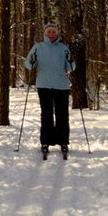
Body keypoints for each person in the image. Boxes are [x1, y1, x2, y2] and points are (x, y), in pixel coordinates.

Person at [24, 22, 75, 159]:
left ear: (57, 33)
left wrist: (71, 60)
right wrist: (32, 60)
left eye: (53, 32)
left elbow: (71, 68)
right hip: (44, 84)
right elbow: (28, 65)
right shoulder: (38, 47)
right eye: (49, 32)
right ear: (44, 34)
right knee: (46, 114)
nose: (51, 34)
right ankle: (46, 141)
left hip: (61, 85)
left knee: (62, 115)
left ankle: (63, 141)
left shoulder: (63, 48)